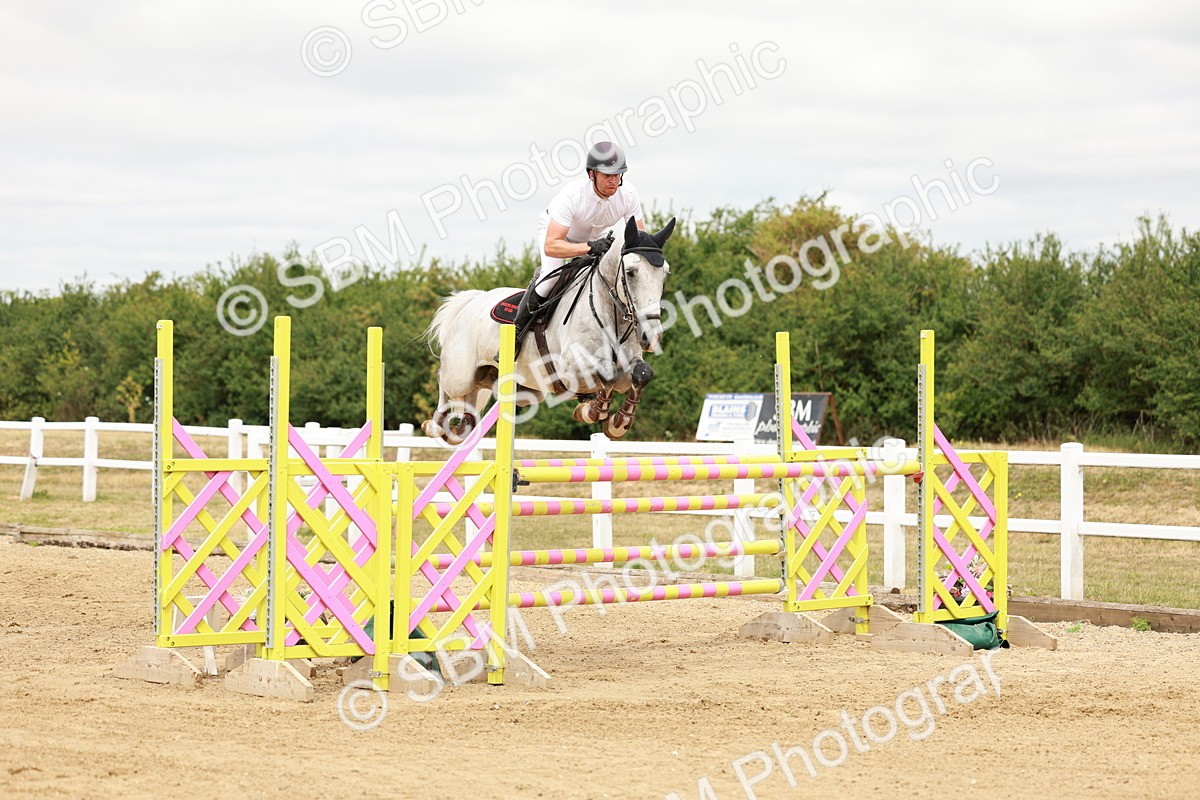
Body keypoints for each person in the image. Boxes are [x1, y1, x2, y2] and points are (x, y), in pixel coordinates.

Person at [512, 141, 645, 334]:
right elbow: (552, 246)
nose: (613, 181)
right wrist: (590, 247)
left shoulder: (629, 195)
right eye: (607, 175)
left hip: (596, 238)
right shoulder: (572, 195)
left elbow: (639, 239)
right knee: (551, 278)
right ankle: (517, 331)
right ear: (592, 174)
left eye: (617, 175)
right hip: (559, 238)